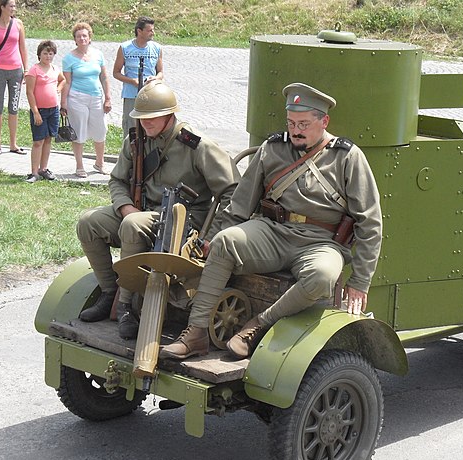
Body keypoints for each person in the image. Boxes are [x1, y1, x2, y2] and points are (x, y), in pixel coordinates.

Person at [160, 83, 383, 361]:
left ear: (324, 121)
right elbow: (239, 205)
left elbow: (370, 223)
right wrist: (212, 240)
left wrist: (360, 281)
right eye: (291, 123)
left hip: (320, 242)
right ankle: (196, 333)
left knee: (323, 276)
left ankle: (258, 325)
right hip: (273, 232)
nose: (295, 130)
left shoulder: (347, 157)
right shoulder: (273, 149)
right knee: (227, 241)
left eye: (303, 123)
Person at [76, 81, 239, 339]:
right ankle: (110, 292)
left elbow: (232, 191)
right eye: (141, 118)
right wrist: (126, 206)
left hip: (183, 222)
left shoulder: (196, 146)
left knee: (132, 225)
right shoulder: (136, 141)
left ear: (170, 115)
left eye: (152, 118)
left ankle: (126, 306)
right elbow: (117, 180)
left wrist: (214, 235)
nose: (145, 123)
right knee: (88, 222)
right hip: (139, 214)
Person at [61, 22, 111, 178]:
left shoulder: (98, 54)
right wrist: (63, 103)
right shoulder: (69, 58)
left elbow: (103, 77)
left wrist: (108, 97)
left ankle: (100, 163)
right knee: (79, 131)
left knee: (101, 129)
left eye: (85, 35)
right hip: (77, 98)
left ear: (90, 37)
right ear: (75, 39)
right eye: (78, 36)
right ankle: (79, 165)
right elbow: (66, 82)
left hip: (96, 97)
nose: (82, 38)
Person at [0, 0, 28, 156]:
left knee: (13, 108)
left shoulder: (18, 24)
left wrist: (26, 69)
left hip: (16, 71)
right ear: (2, 7)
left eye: (15, 6)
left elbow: (23, 47)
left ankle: (13, 144)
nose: (13, 9)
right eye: (11, 6)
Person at [113, 16, 164, 138]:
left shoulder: (157, 48)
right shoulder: (125, 48)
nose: (153, 33)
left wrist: (155, 79)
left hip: (151, 94)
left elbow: (161, 73)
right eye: (149, 30)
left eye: (153, 30)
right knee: (131, 128)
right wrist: (133, 81)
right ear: (139, 31)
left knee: (150, 126)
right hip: (131, 95)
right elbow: (116, 73)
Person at [24, 41, 64, 183]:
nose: (48, 56)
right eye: (45, 53)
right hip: (39, 110)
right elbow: (29, 92)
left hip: (53, 110)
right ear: (39, 54)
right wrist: (35, 112)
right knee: (38, 141)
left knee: (48, 139)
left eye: (50, 53)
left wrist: (58, 89)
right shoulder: (33, 70)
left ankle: (43, 168)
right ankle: (34, 172)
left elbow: (63, 80)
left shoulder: (55, 68)